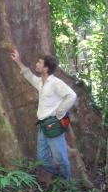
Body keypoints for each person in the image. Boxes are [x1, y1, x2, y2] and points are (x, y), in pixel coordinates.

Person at [10, 49, 77, 179]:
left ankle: (68, 187)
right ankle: (61, 176)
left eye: (39, 63)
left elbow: (71, 95)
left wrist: (60, 112)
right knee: (41, 160)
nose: (36, 64)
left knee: (60, 159)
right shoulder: (41, 82)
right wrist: (18, 61)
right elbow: (29, 76)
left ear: (46, 68)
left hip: (54, 124)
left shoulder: (55, 83)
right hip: (42, 126)